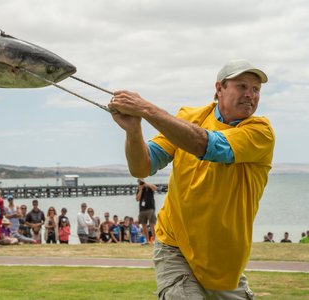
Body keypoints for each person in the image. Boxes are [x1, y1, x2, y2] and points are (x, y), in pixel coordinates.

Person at [109, 58, 273, 297]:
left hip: (224, 259)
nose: (250, 94)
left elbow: (206, 145)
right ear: (219, 89)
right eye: (242, 86)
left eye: (256, 89)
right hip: (174, 246)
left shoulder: (260, 132)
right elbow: (142, 167)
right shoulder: (188, 117)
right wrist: (134, 132)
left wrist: (146, 109)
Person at [136, 178, 157, 245]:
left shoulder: (149, 186)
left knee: (152, 225)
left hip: (150, 209)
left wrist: (146, 184)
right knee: (144, 225)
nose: (140, 183)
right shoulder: (139, 189)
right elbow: (137, 199)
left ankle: (155, 240)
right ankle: (147, 240)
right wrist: (140, 190)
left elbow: (155, 188)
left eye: (141, 181)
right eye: (139, 182)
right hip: (142, 210)